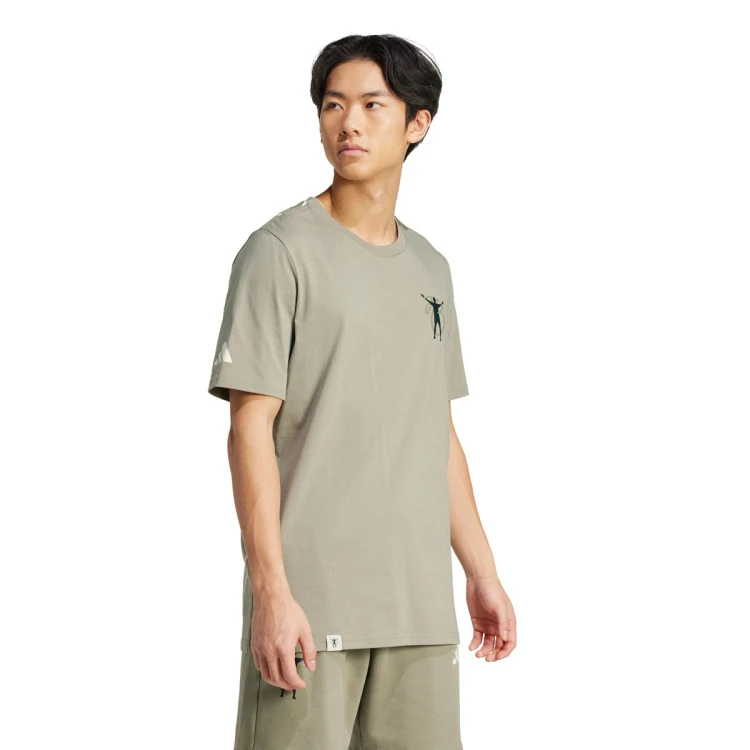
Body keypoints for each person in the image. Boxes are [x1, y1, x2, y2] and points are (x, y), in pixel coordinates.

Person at [207, 33, 517, 750]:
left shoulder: (432, 269)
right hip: (312, 609)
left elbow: (435, 434)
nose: (348, 123)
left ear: (417, 123)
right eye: (333, 104)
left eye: (372, 105)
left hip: (418, 610)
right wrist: (272, 593)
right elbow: (249, 429)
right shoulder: (278, 253)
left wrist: (482, 572)